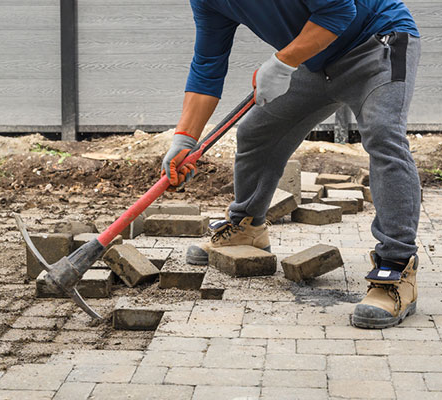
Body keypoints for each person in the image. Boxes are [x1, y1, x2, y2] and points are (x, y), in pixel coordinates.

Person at [161, 0, 421, 329]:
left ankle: (397, 268)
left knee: (383, 133)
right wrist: (185, 138)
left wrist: (284, 60)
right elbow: (207, 64)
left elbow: (340, 11)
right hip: (317, 61)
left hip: (376, 43)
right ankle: (247, 227)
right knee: (257, 131)